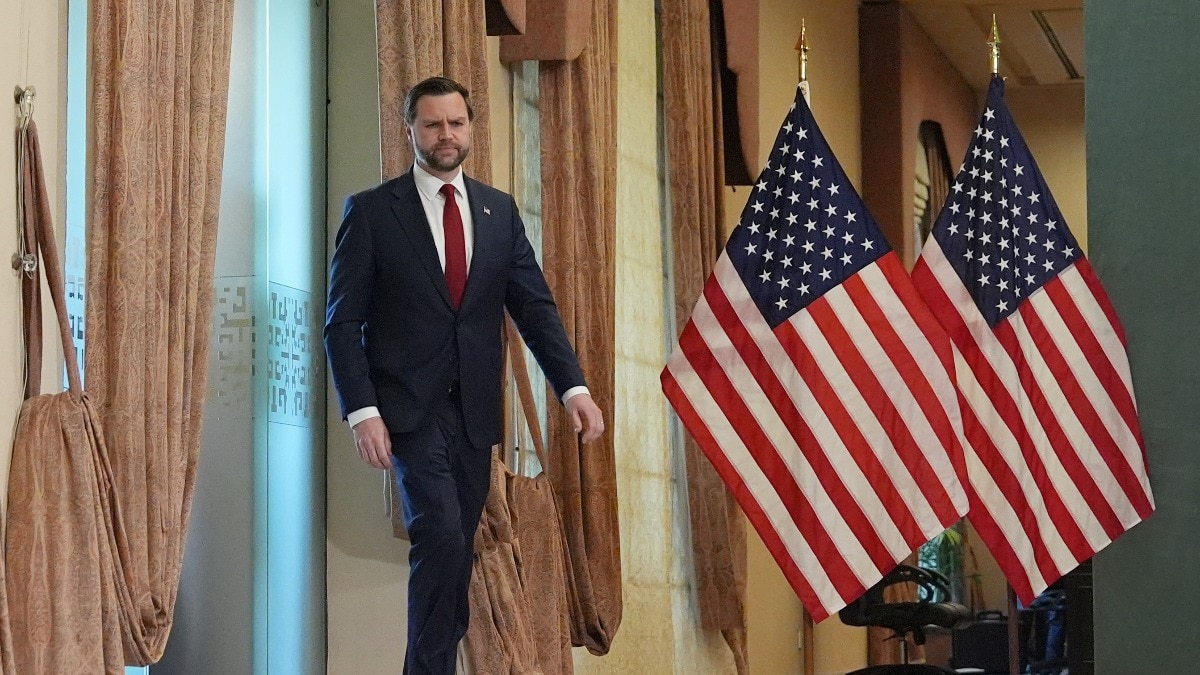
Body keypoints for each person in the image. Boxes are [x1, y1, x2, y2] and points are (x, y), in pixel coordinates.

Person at [324, 76, 605, 674]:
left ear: (470, 127)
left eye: (455, 123)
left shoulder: (498, 213)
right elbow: (341, 323)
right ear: (410, 130)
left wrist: (572, 388)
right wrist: (362, 411)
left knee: (457, 552)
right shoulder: (372, 212)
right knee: (442, 535)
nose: (445, 135)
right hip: (407, 411)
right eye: (432, 124)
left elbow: (535, 309)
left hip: (475, 413)